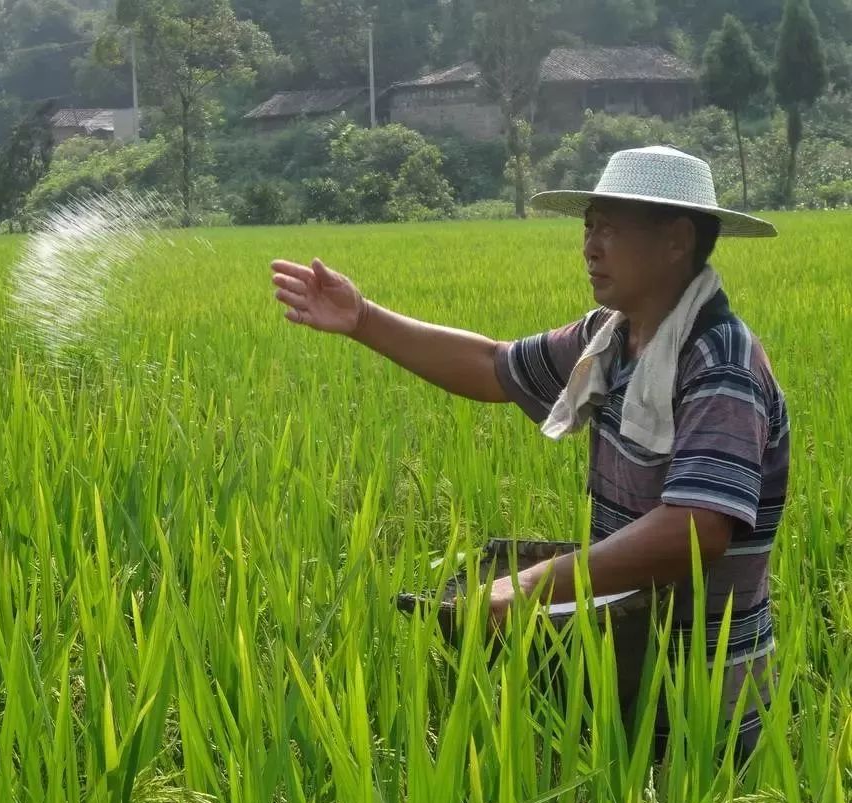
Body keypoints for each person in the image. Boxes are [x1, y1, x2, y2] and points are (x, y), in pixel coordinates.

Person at [269, 146, 789, 761]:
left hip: (704, 683)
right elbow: (494, 366)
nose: (590, 247)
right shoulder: (614, 337)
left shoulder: (716, 360)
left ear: (677, 240)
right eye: (587, 227)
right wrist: (363, 319)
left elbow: (697, 529)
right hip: (626, 649)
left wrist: (533, 586)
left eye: (610, 229)